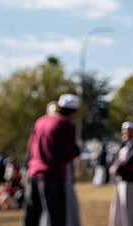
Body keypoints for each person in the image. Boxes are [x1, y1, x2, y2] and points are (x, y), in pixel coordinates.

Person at [22, 93, 81, 226]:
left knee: (31, 216)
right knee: (56, 216)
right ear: (73, 112)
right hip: (52, 175)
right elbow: (68, 153)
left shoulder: (41, 120)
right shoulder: (64, 124)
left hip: (33, 173)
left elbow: (30, 147)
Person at [108, 121, 133, 226]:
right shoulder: (126, 145)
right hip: (123, 182)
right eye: (124, 131)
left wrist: (117, 169)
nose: (124, 133)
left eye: (127, 131)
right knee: (121, 210)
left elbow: (132, 161)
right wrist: (114, 167)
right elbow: (117, 160)